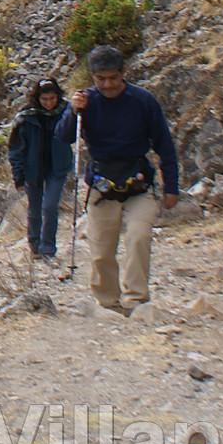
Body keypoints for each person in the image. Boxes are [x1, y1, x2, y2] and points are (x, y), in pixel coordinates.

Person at [56, 44, 182, 313]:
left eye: (113, 78)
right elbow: (64, 136)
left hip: (139, 182)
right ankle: (108, 302)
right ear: (93, 76)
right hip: (102, 184)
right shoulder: (85, 102)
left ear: (123, 73)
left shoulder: (143, 101)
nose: (108, 84)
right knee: (102, 249)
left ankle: (137, 299)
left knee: (139, 236)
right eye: (101, 79)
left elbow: (164, 145)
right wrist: (72, 111)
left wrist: (171, 186)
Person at [7, 78, 69, 261]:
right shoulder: (26, 117)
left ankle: (48, 248)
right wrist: (18, 176)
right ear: (37, 98)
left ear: (58, 96)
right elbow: (15, 149)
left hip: (57, 167)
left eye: (52, 98)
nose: (49, 103)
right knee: (34, 210)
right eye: (45, 99)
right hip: (33, 169)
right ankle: (35, 246)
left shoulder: (66, 112)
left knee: (49, 207)